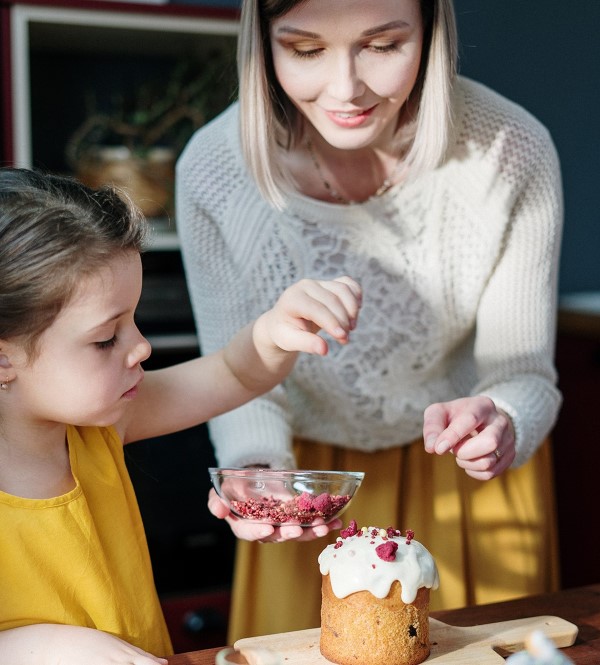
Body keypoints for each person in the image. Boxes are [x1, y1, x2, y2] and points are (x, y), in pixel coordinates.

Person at [176, 0, 564, 643]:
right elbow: (237, 373)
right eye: (304, 50)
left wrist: (502, 419)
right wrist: (257, 473)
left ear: (433, 31)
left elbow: (525, 375)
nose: (345, 88)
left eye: (382, 45)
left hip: (467, 481)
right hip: (306, 485)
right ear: (262, 43)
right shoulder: (214, 170)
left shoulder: (509, 149)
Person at [0, 167, 361, 664]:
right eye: (106, 338)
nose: (141, 346)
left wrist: (274, 333)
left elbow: (234, 374)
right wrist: (48, 646)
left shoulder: (97, 429)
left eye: (133, 321)